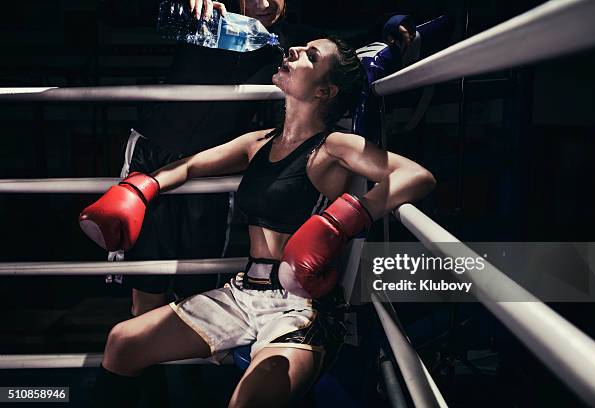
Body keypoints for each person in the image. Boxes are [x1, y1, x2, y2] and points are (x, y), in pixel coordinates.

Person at [83, 36, 435, 407]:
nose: (295, 51)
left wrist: (340, 221)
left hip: (302, 305)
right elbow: (190, 166)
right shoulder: (259, 142)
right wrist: (143, 187)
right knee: (123, 342)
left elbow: (416, 175)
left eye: (310, 57)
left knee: (250, 398)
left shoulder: (333, 146)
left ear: (324, 91)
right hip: (243, 293)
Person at [107, 0, 323, 318]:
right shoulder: (203, 17)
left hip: (214, 163)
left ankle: (188, 364)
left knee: (198, 285)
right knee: (148, 284)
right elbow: (117, 13)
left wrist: (393, 29)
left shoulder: (292, 48)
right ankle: (144, 360)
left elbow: (347, 52)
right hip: (156, 152)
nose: (263, 4)